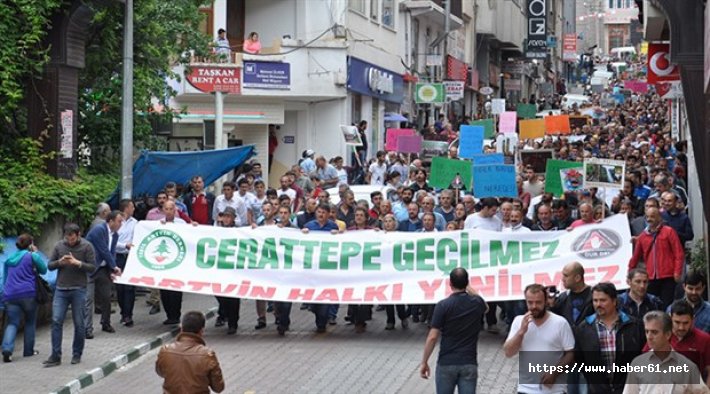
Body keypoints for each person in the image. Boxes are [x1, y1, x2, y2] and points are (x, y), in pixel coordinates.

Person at [420, 268, 487, 394]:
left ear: (450, 283)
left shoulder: (443, 305)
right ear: (467, 282)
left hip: (446, 362)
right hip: (469, 362)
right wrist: (469, 288)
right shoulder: (477, 303)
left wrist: (424, 361)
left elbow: (432, 337)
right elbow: (486, 306)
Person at [573, 283, 645, 394]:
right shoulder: (584, 328)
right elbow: (580, 358)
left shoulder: (633, 325)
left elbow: (641, 355)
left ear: (614, 301)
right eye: (595, 301)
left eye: (603, 300)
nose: (598, 304)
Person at [504, 284, 575, 394]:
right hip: (525, 389)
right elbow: (508, 352)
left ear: (546, 301)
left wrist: (555, 372)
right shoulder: (518, 321)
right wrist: (521, 332)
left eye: (538, 302)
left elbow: (571, 354)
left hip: (555, 391)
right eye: (530, 302)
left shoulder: (560, 323)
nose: (534, 306)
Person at [44, 223, 96, 367]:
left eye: (72, 238)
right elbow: (49, 265)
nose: (70, 241)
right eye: (68, 238)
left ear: (78, 235)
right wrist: (60, 262)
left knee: (79, 323)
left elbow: (92, 267)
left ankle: (77, 354)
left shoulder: (87, 246)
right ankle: (55, 355)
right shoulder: (59, 246)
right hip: (61, 289)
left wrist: (78, 263)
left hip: (79, 289)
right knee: (56, 321)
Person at [623, 311, 705, 393]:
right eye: (647, 331)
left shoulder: (688, 367)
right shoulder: (637, 364)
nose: (649, 337)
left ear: (668, 334)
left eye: (654, 332)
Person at [2, 234, 47, 362]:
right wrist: (36, 253)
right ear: (30, 244)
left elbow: (5, 278)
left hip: (10, 294)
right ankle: (28, 351)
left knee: (12, 323)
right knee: (30, 322)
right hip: (28, 294)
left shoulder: (9, 258)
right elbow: (43, 270)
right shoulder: (32, 256)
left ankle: (7, 349)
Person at [628, 207, 684, 309]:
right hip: (650, 277)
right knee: (652, 305)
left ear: (659, 218)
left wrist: (677, 271)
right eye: (648, 217)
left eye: (652, 216)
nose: (649, 219)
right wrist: (630, 272)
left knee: (666, 305)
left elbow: (678, 253)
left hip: (668, 276)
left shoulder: (669, 232)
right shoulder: (643, 236)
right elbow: (635, 257)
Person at [156, 311, 225, 394]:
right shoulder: (207, 354)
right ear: (201, 331)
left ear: (181, 328)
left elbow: (160, 372)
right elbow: (218, 387)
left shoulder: (165, 350)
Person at [85, 210, 123, 338]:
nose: (121, 224)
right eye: (119, 221)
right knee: (88, 299)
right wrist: (115, 267)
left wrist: (111, 270)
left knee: (107, 297)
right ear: (111, 221)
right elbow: (104, 250)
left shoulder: (115, 235)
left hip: (102, 268)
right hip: (90, 267)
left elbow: (112, 252)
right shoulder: (99, 230)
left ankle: (105, 322)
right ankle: (87, 328)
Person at [302, 203, 340, 333]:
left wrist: (338, 235)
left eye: (324, 212)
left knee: (325, 296)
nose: (321, 214)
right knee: (314, 297)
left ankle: (322, 322)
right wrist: (303, 234)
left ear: (328, 214)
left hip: (327, 267)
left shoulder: (332, 226)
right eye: (319, 212)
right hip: (313, 268)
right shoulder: (309, 226)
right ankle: (316, 311)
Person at [214, 207, 241, 335]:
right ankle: (225, 313)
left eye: (228, 216)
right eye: (224, 216)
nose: (226, 219)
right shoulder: (216, 231)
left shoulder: (239, 232)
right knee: (220, 294)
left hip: (234, 270)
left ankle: (233, 323)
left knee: (233, 298)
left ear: (233, 218)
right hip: (220, 269)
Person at [551, 262, 594, 328]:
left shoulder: (594, 296)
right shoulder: (562, 298)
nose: (562, 279)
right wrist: (551, 306)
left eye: (566, 276)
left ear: (577, 278)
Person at [116, 199, 137, 327]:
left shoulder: (136, 223)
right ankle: (123, 311)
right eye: (132, 207)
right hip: (118, 256)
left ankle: (128, 315)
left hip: (130, 257)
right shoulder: (117, 222)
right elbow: (112, 242)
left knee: (130, 288)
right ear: (126, 208)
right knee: (120, 287)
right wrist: (124, 245)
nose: (134, 209)